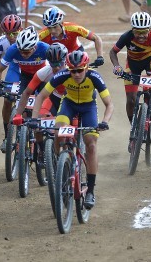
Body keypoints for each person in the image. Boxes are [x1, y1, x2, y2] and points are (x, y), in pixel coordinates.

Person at [30, 50, 114, 209]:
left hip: (88, 108)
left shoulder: (95, 77)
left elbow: (109, 104)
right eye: (72, 71)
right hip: (68, 104)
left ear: (86, 67)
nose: (76, 74)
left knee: (91, 144)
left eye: (80, 70)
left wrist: (104, 121)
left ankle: (90, 190)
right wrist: (34, 119)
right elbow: (41, 96)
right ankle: (59, 165)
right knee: (58, 133)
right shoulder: (61, 75)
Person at [109, 12, 151, 134]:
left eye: (144, 32)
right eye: (138, 32)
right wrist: (117, 66)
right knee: (131, 100)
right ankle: (134, 128)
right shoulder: (126, 37)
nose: (141, 35)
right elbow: (112, 52)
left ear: (150, 30)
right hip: (132, 65)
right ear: (132, 30)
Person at [12, 43, 69, 162]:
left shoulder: (73, 71)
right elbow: (27, 93)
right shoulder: (43, 72)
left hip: (70, 101)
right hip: (53, 98)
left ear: (65, 60)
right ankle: (42, 150)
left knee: (69, 129)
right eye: (53, 64)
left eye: (60, 64)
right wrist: (18, 114)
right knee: (38, 122)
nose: (57, 68)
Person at [0, 14, 23, 152]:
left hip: (32, 69)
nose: (11, 37)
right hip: (15, 69)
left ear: (21, 29)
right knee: (7, 99)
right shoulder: (0, 43)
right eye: (7, 34)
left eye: (14, 33)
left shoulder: (32, 39)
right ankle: (7, 136)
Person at [39, 7, 104, 66]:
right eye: (49, 28)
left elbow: (96, 38)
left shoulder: (73, 28)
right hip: (57, 57)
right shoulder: (43, 34)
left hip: (75, 52)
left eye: (55, 27)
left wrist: (100, 56)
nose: (52, 31)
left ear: (61, 23)